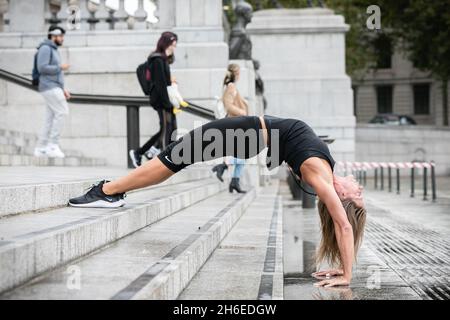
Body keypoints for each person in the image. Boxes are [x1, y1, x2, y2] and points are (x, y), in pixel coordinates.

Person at [68, 114, 366, 287]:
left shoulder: (319, 177)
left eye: (358, 197)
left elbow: (343, 226)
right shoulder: (327, 170)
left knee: (171, 159)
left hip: (243, 135)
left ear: (342, 198)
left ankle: (106, 192)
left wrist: (348, 275)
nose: (359, 190)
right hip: (247, 135)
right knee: (174, 159)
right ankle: (112, 191)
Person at [129, 32, 178, 167]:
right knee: (166, 129)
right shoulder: (158, 60)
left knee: (171, 127)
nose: (174, 47)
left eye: (174, 45)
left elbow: (164, 81)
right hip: (161, 101)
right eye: (172, 45)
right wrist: (167, 104)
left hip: (164, 100)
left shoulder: (162, 60)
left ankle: (151, 151)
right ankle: (144, 153)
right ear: (166, 44)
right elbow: (160, 83)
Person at [33, 25, 71, 158]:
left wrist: (63, 89)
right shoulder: (45, 48)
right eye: (60, 36)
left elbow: (54, 73)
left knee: (49, 118)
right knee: (62, 112)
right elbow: (42, 68)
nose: (62, 39)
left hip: (53, 86)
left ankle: (41, 147)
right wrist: (60, 67)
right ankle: (52, 145)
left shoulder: (53, 49)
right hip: (49, 86)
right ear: (53, 36)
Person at [211, 63, 248, 193]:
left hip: (236, 123)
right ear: (235, 74)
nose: (239, 75)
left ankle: (234, 182)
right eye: (238, 73)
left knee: (242, 154)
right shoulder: (231, 87)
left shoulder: (230, 86)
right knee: (243, 155)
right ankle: (223, 166)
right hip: (235, 123)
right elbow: (228, 106)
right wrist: (243, 112)